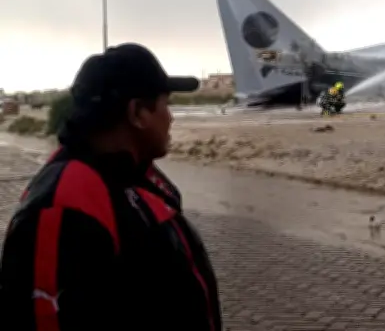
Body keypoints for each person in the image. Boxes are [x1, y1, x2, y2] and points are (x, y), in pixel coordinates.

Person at [0, 44, 222, 331]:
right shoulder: (66, 203)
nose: (171, 117)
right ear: (138, 113)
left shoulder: (132, 175)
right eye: (165, 104)